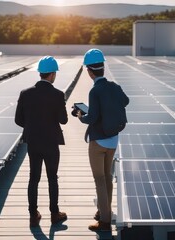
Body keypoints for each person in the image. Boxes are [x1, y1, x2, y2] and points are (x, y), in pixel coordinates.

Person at [75, 49, 129, 232]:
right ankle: (104, 211)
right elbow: (126, 101)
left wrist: (81, 115)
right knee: (108, 178)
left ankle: (104, 221)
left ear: (89, 71)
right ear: (103, 67)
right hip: (114, 140)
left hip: (98, 142)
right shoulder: (114, 86)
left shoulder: (95, 90)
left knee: (99, 179)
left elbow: (91, 119)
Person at [15, 56, 68, 227]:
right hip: (51, 143)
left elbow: (18, 120)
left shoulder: (25, 93)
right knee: (52, 178)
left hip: (33, 142)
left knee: (33, 178)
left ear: (40, 73)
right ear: (52, 74)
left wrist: (31, 126)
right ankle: (54, 214)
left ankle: (33, 216)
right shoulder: (58, 95)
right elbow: (63, 120)